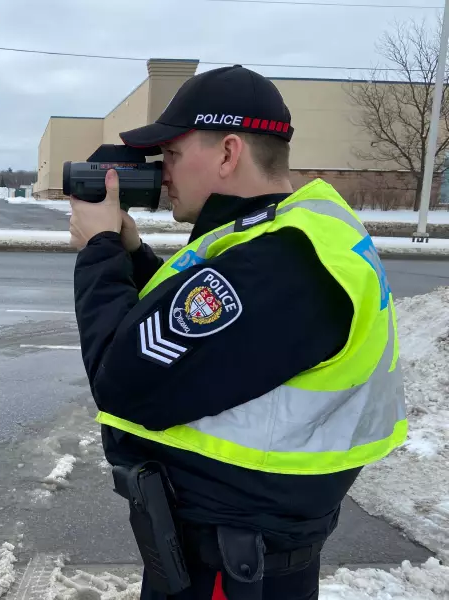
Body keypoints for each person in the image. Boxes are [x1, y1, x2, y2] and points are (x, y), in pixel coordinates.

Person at [69, 65, 407, 600]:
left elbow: (123, 379)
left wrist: (99, 251)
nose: (163, 173)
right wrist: (131, 254)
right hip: (239, 555)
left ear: (228, 153)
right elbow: (202, 337)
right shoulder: (288, 234)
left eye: (172, 154)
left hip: (231, 572)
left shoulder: (283, 265)